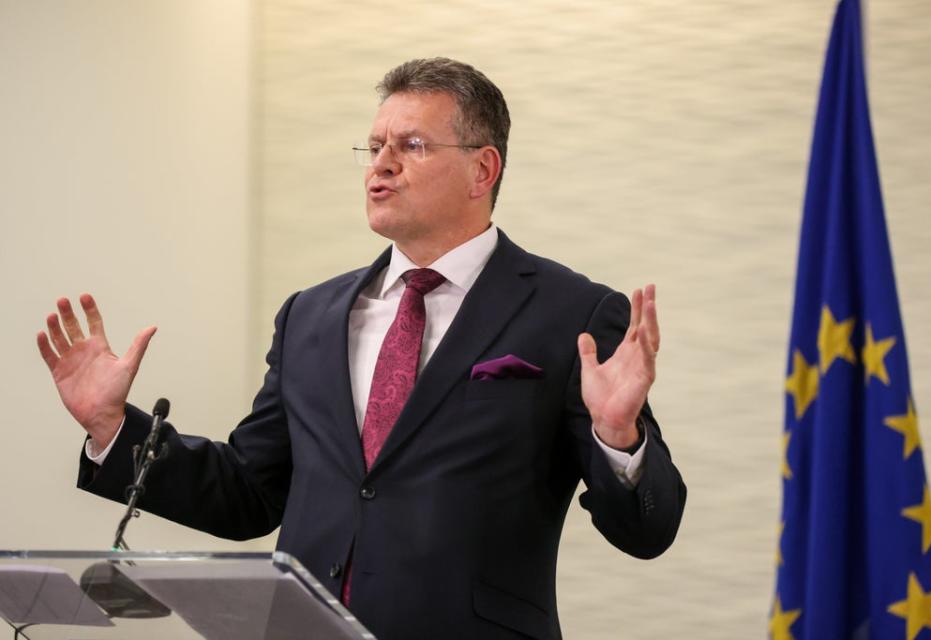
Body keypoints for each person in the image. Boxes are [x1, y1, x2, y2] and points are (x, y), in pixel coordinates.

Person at [37, 58, 685, 640]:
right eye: (373, 146)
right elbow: (249, 493)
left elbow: (648, 532)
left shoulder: (570, 313)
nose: (381, 164)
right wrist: (112, 428)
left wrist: (619, 439)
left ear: (482, 169)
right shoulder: (310, 316)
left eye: (411, 145)